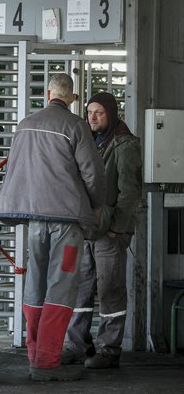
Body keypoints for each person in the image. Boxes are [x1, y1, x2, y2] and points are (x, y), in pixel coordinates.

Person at [0, 73, 106, 382]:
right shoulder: (76, 126)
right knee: (62, 284)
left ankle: (34, 353)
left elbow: (16, 170)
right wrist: (95, 205)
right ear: (72, 98)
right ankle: (46, 362)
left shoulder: (25, 125)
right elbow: (93, 174)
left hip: (35, 220)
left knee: (36, 282)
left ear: (48, 94)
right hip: (67, 223)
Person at [61, 92, 142, 369]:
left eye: (99, 113)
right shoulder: (88, 143)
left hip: (109, 232)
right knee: (80, 288)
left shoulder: (125, 145)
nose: (92, 118)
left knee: (110, 290)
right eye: (89, 112)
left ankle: (109, 350)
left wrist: (117, 231)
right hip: (86, 229)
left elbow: (130, 194)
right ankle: (77, 344)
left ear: (112, 113)